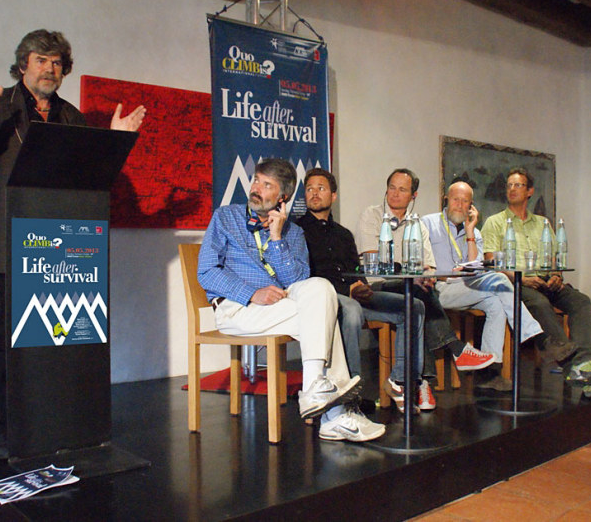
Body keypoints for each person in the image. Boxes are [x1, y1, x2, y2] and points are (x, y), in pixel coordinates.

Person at [0, 29, 146, 460]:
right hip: (8, 243)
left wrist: (114, 141)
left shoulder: (71, 116)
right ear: (23, 63)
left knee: (59, 338)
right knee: (7, 339)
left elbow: (89, 178)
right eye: (41, 60)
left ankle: (60, 421)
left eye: (57, 62)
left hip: (60, 251)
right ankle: (9, 428)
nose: (50, 69)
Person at [197, 159, 385, 442]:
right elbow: (207, 271)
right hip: (237, 308)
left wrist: (276, 239)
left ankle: (315, 391)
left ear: (282, 197)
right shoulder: (226, 218)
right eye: (256, 180)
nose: (257, 188)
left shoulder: (293, 233)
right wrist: (252, 293)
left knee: (320, 289)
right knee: (325, 317)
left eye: (267, 185)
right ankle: (334, 415)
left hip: (280, 307)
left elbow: (297, 280)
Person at [355, 168, 494, 404]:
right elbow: (373, 261)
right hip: (377, 288)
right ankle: (456, 349)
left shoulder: (417, 224)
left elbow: (428, 265)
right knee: (418, 295)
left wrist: (426, 276)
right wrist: (415, 276)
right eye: (392, 188)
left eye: (402, 189)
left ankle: (424, 383)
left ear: (413, 195)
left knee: (419, 301)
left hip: (410, 290)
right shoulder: (373, 215)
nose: (395, 194)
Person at [296, 168, 429, 413]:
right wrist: (349, 290)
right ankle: (350, 394)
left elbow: (356, 268)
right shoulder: (296, 231)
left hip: (353, 293)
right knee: (353, 309)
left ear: (333, 196)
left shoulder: (343, 234)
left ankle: (400, 381)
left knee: (414, 306)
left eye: (321, 188)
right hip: (323, 298)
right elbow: (303, 276)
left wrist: (362, 286)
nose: (314, 193)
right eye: (309, 189)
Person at [422, 181, 572, 391]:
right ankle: (539, 339)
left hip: (466, 286)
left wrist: (470, 230)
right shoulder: (427, 223)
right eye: (456, 199)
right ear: (446, 200)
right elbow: (422, 261)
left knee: (497, 302)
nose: (459, 205)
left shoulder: (475, 232)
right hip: (439, 289)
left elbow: (474, 267)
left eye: (465, 201)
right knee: (501, 280)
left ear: (471, 206)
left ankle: (488, 374)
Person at [481, 167, 591, 384]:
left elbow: (554, 259)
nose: (512, 189)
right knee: (540, 304)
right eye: (509, 185)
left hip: (544, 281)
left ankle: (588, 362)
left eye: (518, 185)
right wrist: (521, 278)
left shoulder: (543, 223)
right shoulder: (495, 222)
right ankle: (573, 366)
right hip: (517, 283)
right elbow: (492, 264)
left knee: (581, 301)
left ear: (529, 191)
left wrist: (556, 276)